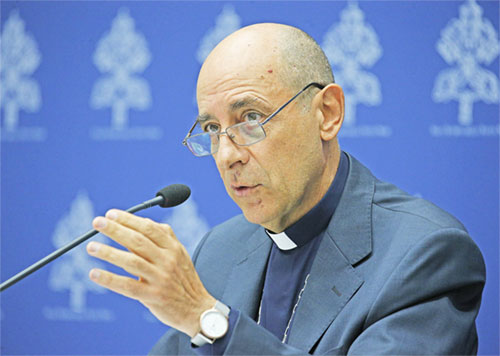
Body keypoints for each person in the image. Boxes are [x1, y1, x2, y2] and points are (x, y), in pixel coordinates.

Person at [86, 23, 486, 355]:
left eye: (251, 117)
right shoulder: (220, 250)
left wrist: (212, 323)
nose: (227, 155)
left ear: (327, 115)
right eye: (211, 130)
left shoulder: (425, 254)